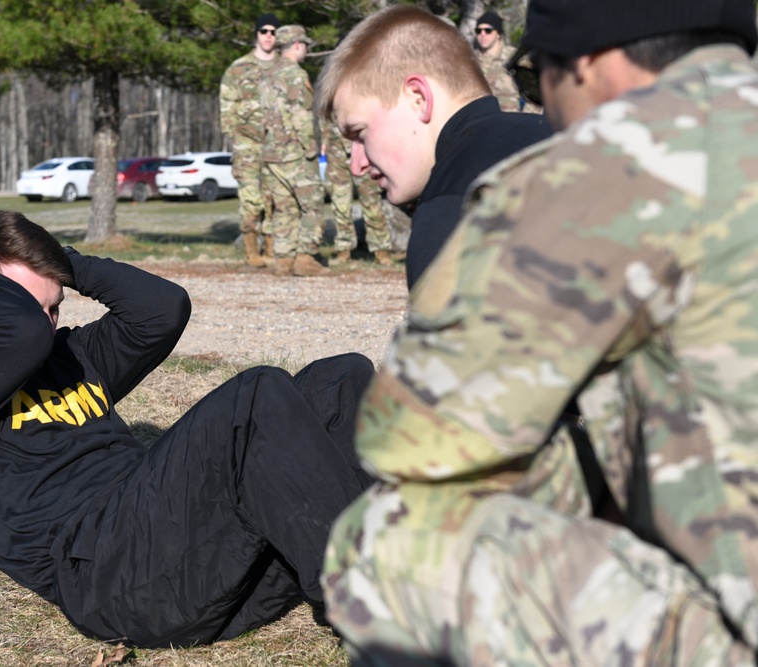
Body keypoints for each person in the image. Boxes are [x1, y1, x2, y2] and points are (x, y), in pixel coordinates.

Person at [322, 0, 758, 663]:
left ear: (582, 60)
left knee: (389, 539)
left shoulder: (611, 160)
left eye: (537, 78)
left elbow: (411, 438)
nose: (544, 111)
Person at [0, 210, 374, 648]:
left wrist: (64, 262)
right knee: (256, 394)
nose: (45, 322)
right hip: (112, 580)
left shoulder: (74, 359)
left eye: (54, 307)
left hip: (211, 566)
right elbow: (17, 335)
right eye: (28, 305)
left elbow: (163, 308)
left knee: (342, 376)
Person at [314, 5, 551, 291]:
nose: (357, 165)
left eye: (360, 134)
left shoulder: (452, 207)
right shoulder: (555, 140)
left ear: (418, 98)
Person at [262, 24, 329, 277]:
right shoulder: (296, 76)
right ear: (298, 45)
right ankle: (304, 259)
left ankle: (283, 260)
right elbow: (301, 116)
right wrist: (311, 148)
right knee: (311, 205)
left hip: (272, 153)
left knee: (284, 207)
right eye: (306, 46)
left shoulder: (267, 75)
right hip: (295, 153)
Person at [220, 13, 280, 268]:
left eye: (273, 32)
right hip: (247, 146)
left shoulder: (284, 68)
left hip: (278, 145)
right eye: (264, 31)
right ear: (256, 34)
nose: (268, 35)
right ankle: (251, 252)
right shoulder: (238, 68)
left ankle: (271, 250)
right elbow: (227, 104)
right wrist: (235, 136)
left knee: (274, 198)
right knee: (250, 198)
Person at [322, 122, 394, 266]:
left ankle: (381, 250)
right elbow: (324, 116)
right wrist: (324, 141)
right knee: (340, 203)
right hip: (335, 152)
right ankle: (344, 250)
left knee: (372, 203)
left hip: (362, 149)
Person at [472, 10, 527, 112]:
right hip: (480, 119)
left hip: (513, 120)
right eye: (478, 31)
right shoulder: (470, 59)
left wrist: (529, 119)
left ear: (498, 34)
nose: (483, 34)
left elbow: (533, 92)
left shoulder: (515, 57)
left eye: (488, 30)